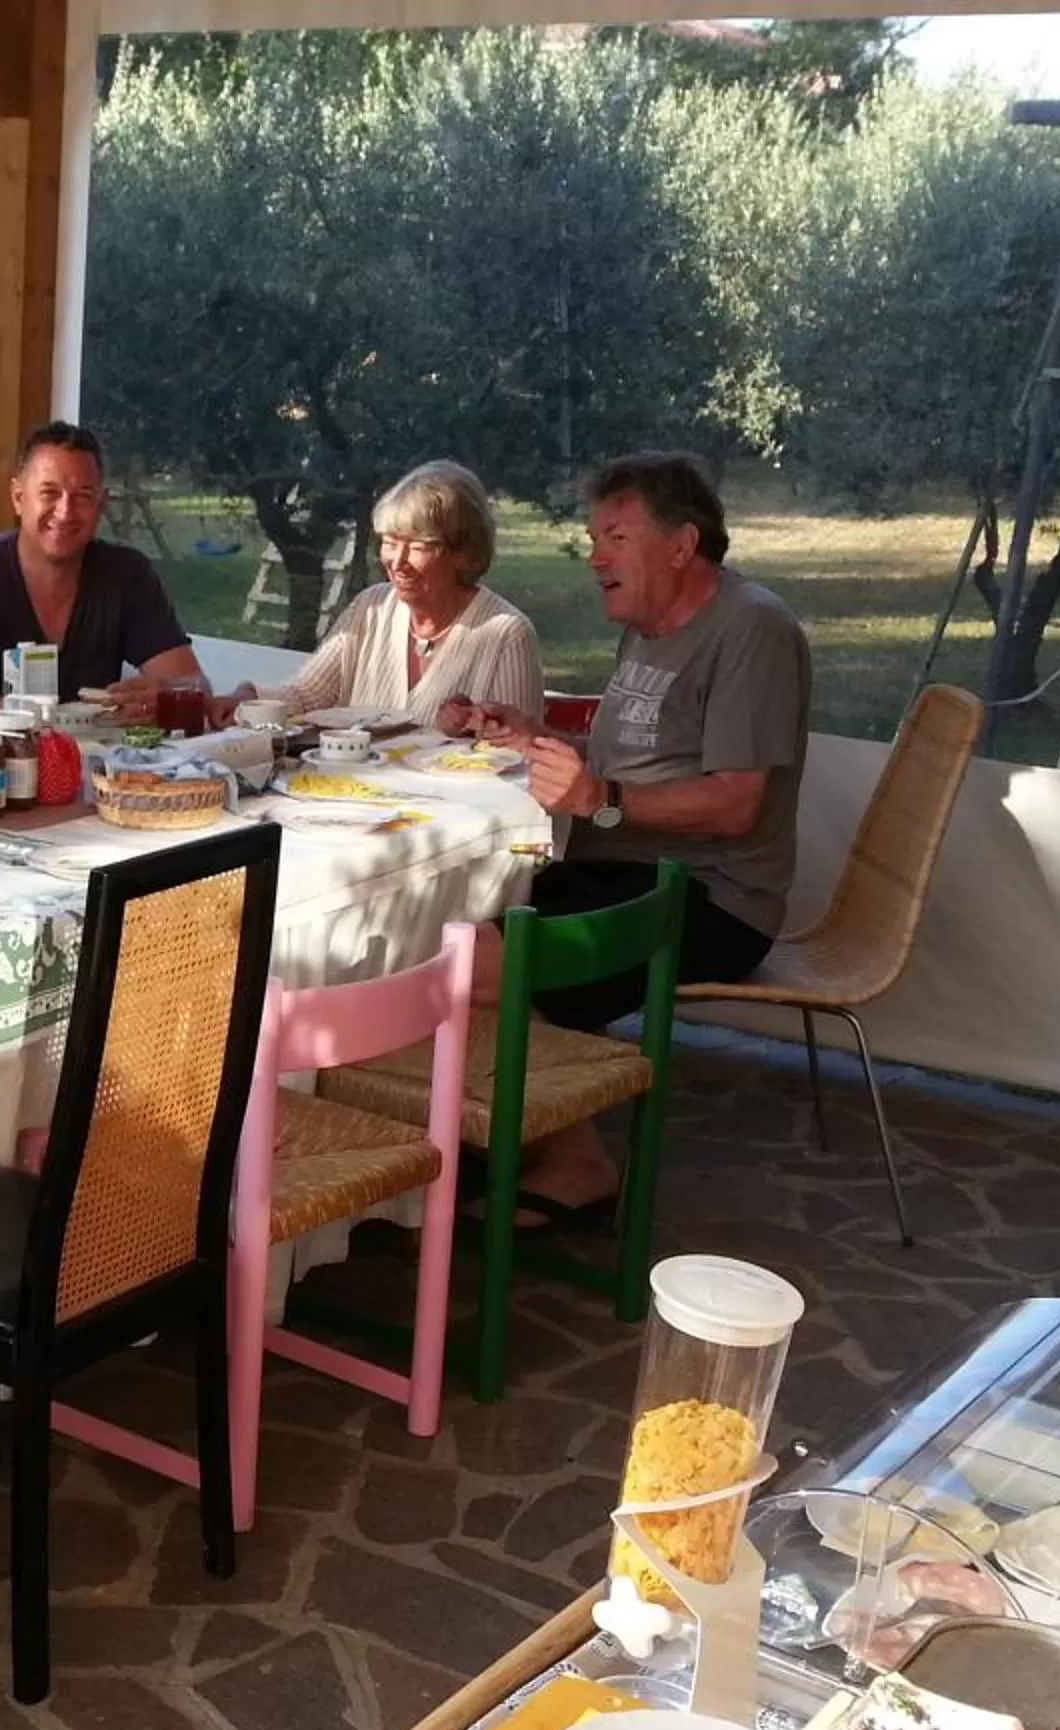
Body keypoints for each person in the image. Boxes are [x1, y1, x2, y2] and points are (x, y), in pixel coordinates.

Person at [462, 452, 810, 1218]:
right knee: (448, 934)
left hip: (714, 898)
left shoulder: (752, 629)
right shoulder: (648, 627)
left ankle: (572, 1161)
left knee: (475, 965)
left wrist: (602, 796)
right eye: (595, 538)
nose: (596, 557)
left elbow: (735, 805)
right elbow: (636, 766)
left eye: (615, 537)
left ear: (682, 545)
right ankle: (519, 1139)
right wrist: (540, 739)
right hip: (624, 867)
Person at [224, 461, 543, 724]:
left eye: (418, 546)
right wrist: (247, 699)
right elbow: (307, 696)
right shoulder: (371, 606)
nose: (397, 562)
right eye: (390, 543)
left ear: (465, 553)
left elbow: (517, 754)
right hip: (357, 796)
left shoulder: (506, 635)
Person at [0, 422, 204, 717]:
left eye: (83, 496)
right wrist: (11, 715)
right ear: (19, 497)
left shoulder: (127, 574)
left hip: (101, 756)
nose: (65, 511)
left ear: (100, 504)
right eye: (49, 493)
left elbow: (192, 684)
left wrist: (167, 698)